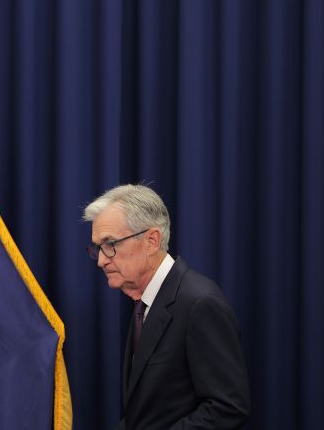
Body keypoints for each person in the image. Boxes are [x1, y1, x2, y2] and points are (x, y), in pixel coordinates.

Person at [84, 184, 250, 429]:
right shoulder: (144, 301)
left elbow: (228, 407)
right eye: (98, 248)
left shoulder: (200, 303)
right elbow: (146, 413)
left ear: (151, 241)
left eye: (110, 244)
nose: (100, 260)